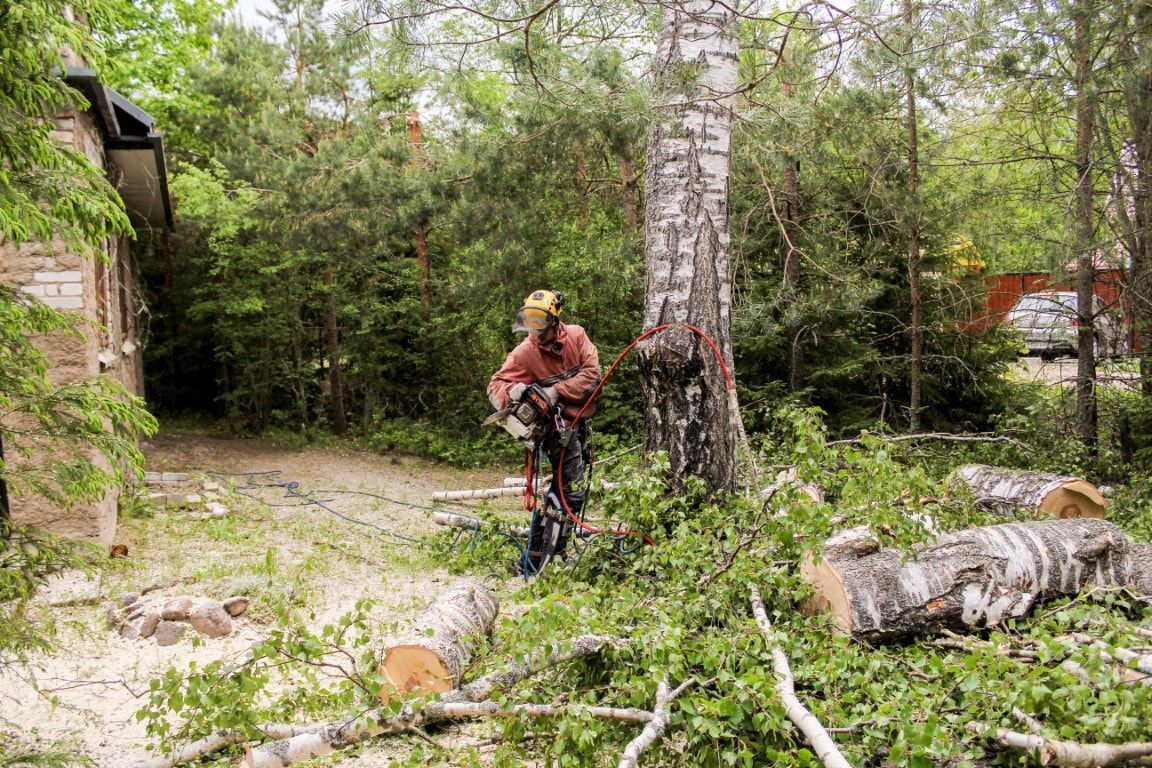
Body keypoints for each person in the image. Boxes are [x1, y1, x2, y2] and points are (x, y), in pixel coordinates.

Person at [488, 290, 601, 567]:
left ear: (554, 320)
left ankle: (539, 557)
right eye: (530, 324)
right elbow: (495, 386)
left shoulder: (576, 336)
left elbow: (593, 376)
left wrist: (555, 391)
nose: (535, 332)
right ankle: (543, 559)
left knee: (565, 490)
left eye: (540, 324)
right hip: (555, 429)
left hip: (580, 422)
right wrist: (512, 392)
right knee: (571, 492)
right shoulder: (526, 352)